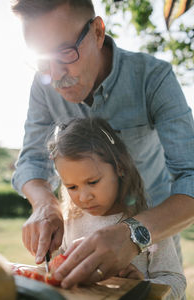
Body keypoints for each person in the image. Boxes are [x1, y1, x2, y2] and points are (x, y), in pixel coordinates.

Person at [11, 0, 194, 289]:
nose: (55, 77)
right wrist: (45, 205)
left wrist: (134, 234)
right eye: (43, 60)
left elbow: (191, 176)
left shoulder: (153, 78)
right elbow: (31, 162)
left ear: (98, 31)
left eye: (65, 53)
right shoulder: (43, 85)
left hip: (155, 237)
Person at [47, 117, 186, 299]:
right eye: (72, 187)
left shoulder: (148, 222)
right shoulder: (70, 221)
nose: (83, 197)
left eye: (93, 182)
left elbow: (176, 281)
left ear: (119, 167)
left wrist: (141, 287)